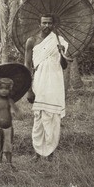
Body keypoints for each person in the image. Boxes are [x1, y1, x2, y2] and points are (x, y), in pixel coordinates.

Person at [24, 14, 68, 161]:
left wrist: (61, 52)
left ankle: (50, 153)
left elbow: (64, 65)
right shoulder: (32, 41)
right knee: (39, 118)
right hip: (39, 83)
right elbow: (27, 66)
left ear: (53, 24)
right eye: (44, 22)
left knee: (53, 118)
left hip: (55, 83)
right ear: (39, 23)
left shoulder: (59, 41)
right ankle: (37, 153)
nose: (47, 26)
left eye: (50, 23)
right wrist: (29, 89)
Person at [0, 77, 22, 167]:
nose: (4, 91)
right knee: (0, 145)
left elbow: (16, 110)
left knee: (9, 146)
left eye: (6, 88)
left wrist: (18, 114)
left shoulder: (9, 101)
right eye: (1, 88)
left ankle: (9, 163)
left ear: (9, 89)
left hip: (9, 127)